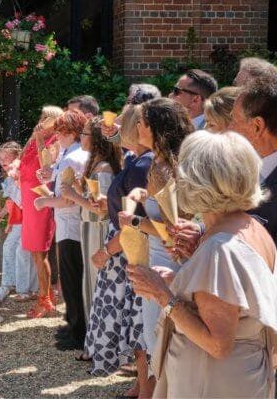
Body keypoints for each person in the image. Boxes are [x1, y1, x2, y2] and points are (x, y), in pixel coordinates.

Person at [128, 131, 277, 398]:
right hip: (239, 375)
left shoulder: (220, 248)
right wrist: (183, 278)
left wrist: (163, 294)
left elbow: (218, 345)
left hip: (211, 382)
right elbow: (237, 300)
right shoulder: (251, 226)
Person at [118, 98, 193, 385]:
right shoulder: (161, 163)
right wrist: (142, 193)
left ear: (155, 129)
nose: (136, 126)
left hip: (166, 263)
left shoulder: (164, 170)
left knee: (159, 339)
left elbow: (171, 230)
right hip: (160, 259)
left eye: (141, 122)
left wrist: (134, 221)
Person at [84, 103, 151, 397]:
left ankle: (147, 388)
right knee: (132, 323)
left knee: (137, 325)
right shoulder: (134, 159)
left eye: (122, 121)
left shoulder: (142, 165)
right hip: (122, 242)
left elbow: (133, 222)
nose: (116, 125)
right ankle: (141, 384)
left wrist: (107, 251)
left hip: (128, 248)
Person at [34, 110, 90, 349]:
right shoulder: (68, 154)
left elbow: (67, 198)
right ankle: (72, 326)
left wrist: (43, 202)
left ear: (72, 133)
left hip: (71, 225)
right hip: (68, 223)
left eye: (61, 131)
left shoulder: (73, 156)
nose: (56, 135)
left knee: (72, 280)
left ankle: (77, 334)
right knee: (70, 279)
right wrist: (49, 173)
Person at [60, 116, 122, 328]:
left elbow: (102, 208)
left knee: (96, 280)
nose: (81, 137)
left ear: (96, 139)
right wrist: (79, 188)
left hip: (98, 229)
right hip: (90, 228)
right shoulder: (97, 165)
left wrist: (73, 195)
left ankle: (96, 338)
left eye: (85, 133)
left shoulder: (103, 168)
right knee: (90, 280)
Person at [17, 105, 62, 318]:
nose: (41, 120)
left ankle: (44, 299)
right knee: (35, 252)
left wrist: (40, 139)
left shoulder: (55, 142)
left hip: (40, 199)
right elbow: (23, 158)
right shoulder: (35, 138)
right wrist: (33, 137)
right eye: (41, 116)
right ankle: (47, 296)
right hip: (28, 200)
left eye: (46, 117)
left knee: (39, 251)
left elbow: (47, 163)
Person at [0, 141, 38, 302]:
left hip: (32, 218)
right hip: (19, 220)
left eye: (7, 158)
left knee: (22, 250)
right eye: (0, 158)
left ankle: (26, 289)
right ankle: (7, 284)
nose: (3, 162)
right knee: (8, 247)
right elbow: (12, 202)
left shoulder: (25, 173)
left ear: (17, 158)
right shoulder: (9, 180)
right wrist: (1, 216)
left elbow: (27, 198)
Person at [230, 77, 277, 241]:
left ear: (257, 125)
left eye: (234, 120)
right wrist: (200, 231)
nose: (230, 128)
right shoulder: (245, 167)